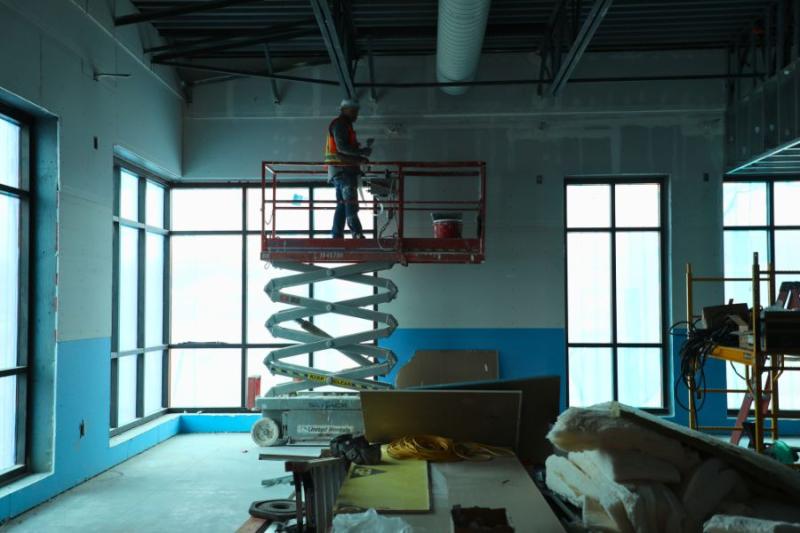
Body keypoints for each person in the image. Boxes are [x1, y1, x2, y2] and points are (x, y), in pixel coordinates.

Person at [325, 99, 373, 239]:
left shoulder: (345, 125)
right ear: (345, 110)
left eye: (356, 112)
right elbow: (342, 148)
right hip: (343, 170)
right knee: (350, 204)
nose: (356, 115)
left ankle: (337, 235)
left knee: (342, 205)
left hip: (339, 170)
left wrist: (359, 156)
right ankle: (356, 233)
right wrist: (362, 153)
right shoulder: (340, 125)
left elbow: (344, 149)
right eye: (353, 111)